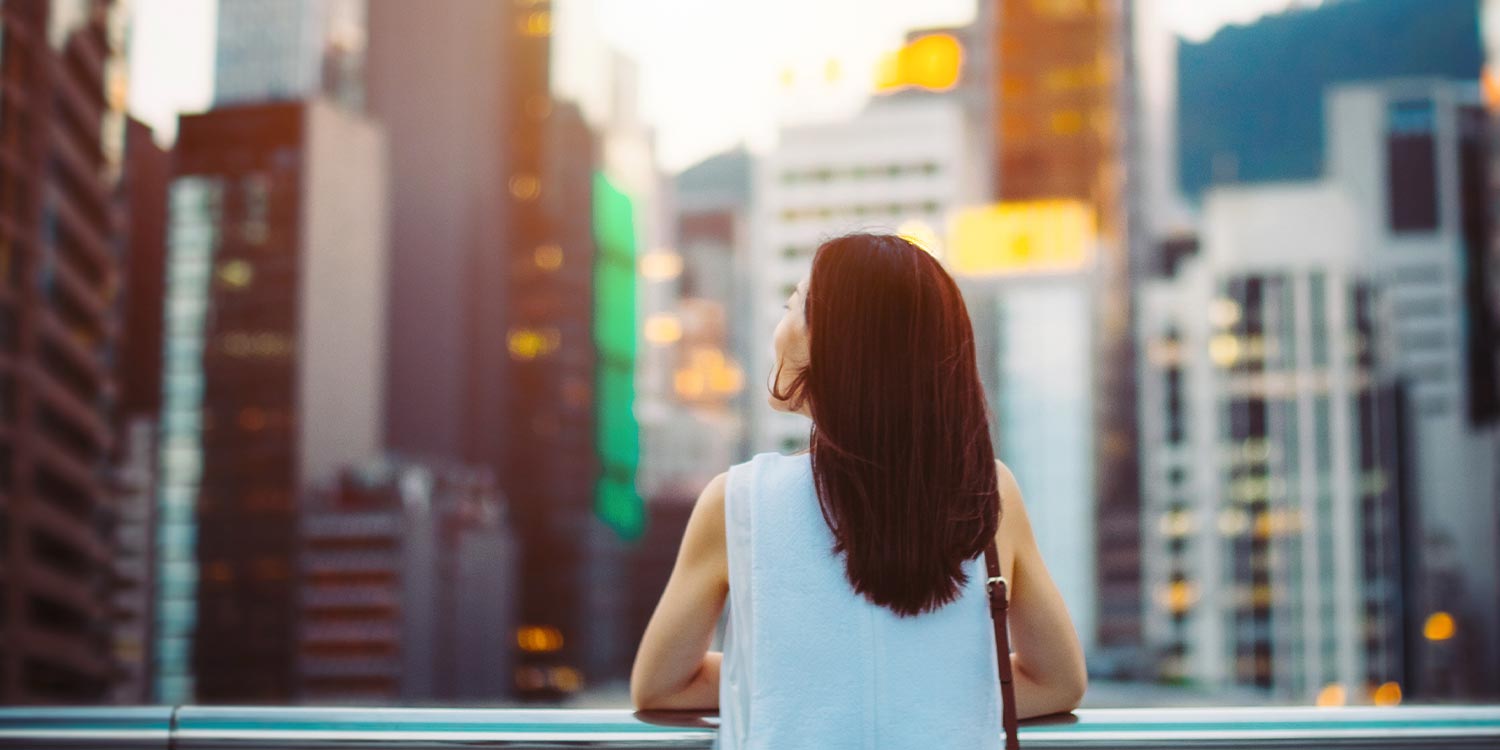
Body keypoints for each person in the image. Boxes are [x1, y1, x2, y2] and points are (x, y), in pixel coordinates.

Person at [630, 233, 1087, 748]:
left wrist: (784, 680)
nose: (778, 329)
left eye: (791, 308)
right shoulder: (987, 490)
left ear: (829, 343)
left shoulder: (738, 502)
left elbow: (662, 687)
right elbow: (1058, 682)